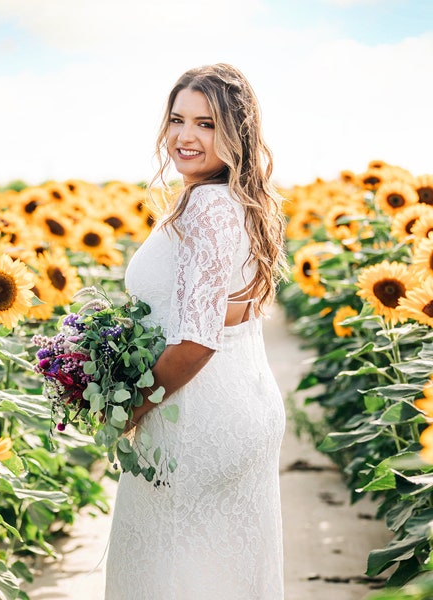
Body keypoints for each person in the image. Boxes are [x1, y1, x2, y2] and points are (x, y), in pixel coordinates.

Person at [104, 63, 287, 599]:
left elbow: (196, 340)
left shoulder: (209, 205)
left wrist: (130, 407)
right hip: (237, 403)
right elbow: (235, 307)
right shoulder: (236, 202)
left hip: (196, 415)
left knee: (170, 577)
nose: (186, 136)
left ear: (236, 134)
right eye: (178, 119)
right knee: (217, 575)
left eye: (206, 124)